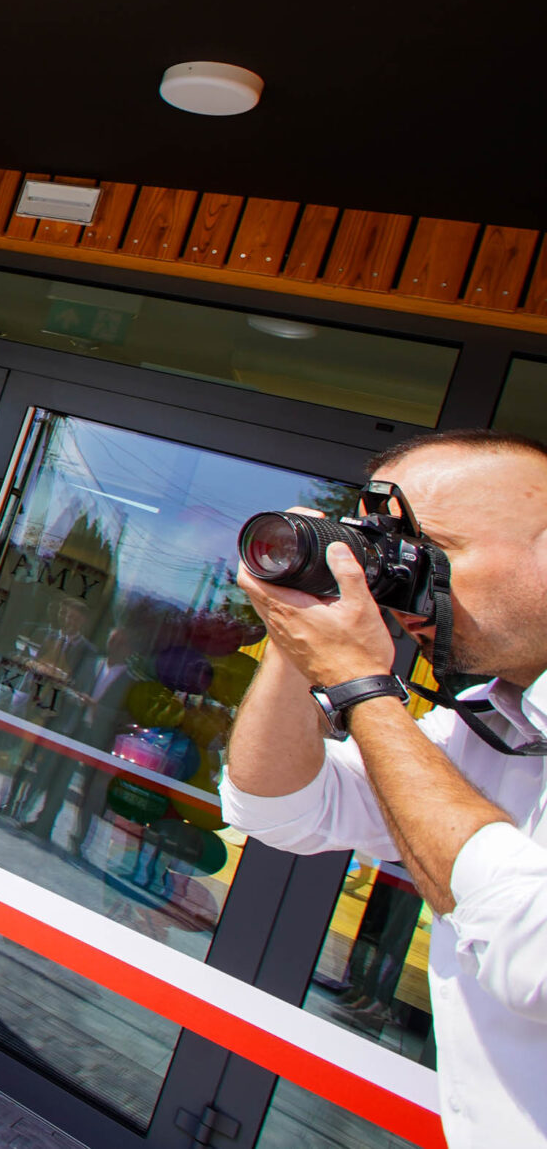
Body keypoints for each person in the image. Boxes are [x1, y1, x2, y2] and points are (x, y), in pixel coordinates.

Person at [220, 430, 547, 1143]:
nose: (403, 589)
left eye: (433, 551)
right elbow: (279, 809)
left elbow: (533, 957)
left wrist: (360, 686)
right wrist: (298, 632)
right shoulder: (489, 726)